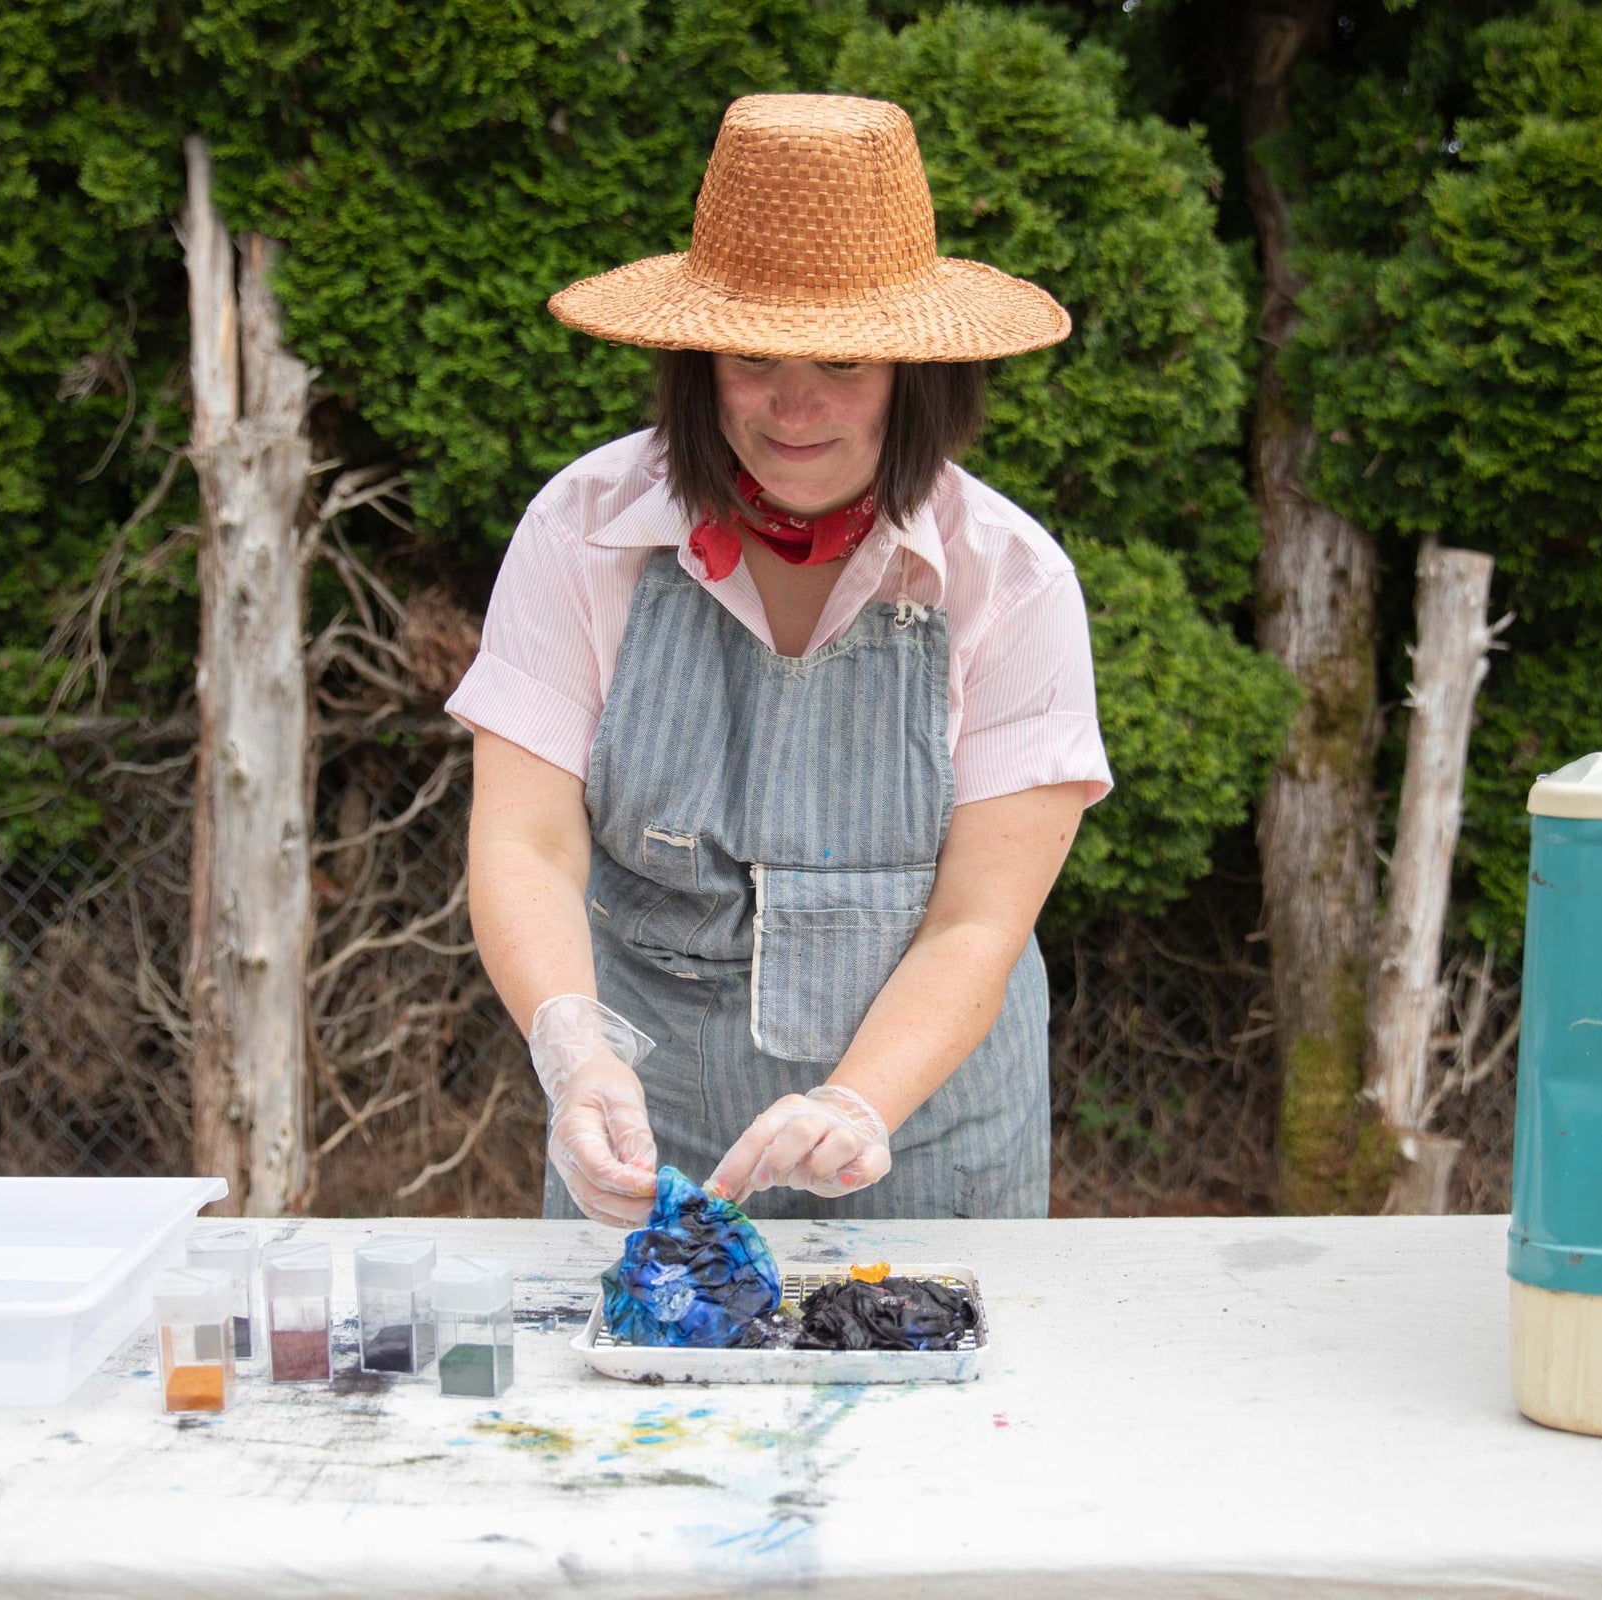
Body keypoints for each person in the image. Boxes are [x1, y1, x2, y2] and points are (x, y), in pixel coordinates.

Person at [446, 93, 1111, 1226]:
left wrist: (855, 1104)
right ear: (698, 360)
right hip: (650, 1128)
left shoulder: (1011, 580)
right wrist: (573, 1049)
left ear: (917, 376)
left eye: (845, 362)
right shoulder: (582, 530)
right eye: (753, 354)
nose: (794, 405)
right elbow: (527, 839)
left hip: (926, 1134)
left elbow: (975, 924)